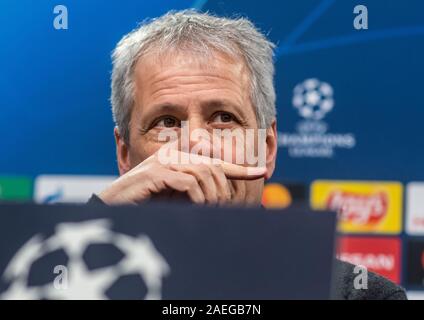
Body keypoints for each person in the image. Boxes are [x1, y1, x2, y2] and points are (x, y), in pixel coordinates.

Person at [89, 10, 406, 300]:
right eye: (167, 122)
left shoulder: (361, 297)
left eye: (223, 117)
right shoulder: (72, 284)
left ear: (267, 150)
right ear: (125, 155)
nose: (196, 146)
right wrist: (95, 220)